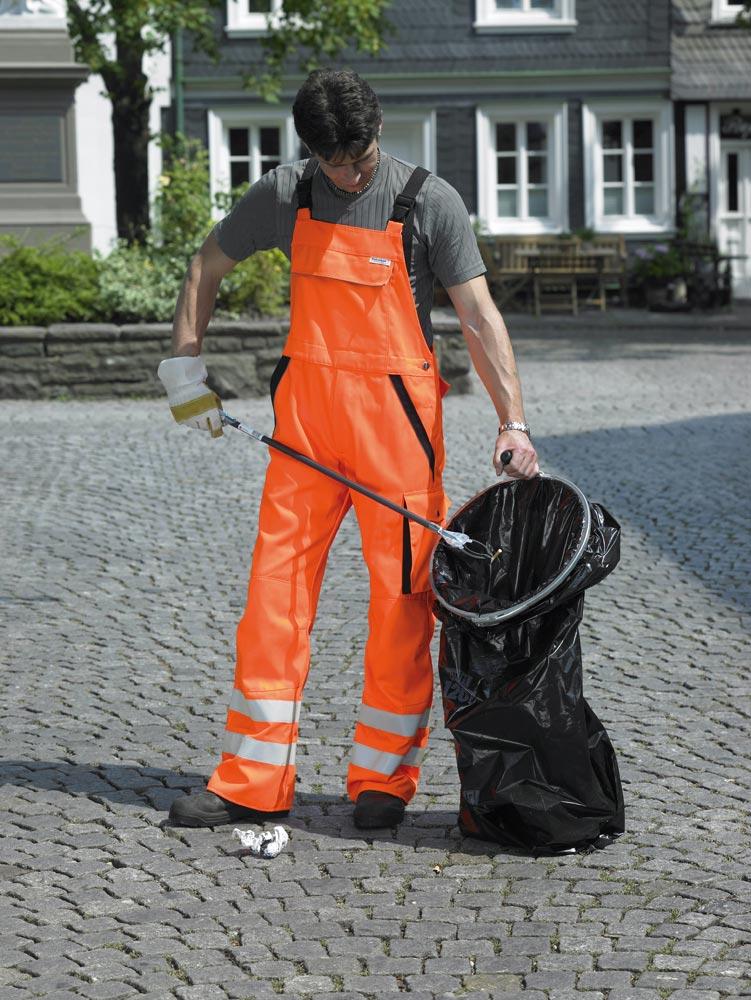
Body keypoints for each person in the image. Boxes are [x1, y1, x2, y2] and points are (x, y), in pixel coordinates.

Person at [157, 68, 539, 831]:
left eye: (360, 157)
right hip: (306, 431)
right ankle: (250, 778)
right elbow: (206, 266)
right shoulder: (283, 193)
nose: (351, 172)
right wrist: (184, 365)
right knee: (273, 596)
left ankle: (381, 780)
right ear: (310, 150)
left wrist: (513, 421)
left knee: (399, 602)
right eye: (336, 162)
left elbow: (478, 316)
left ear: (377, 133)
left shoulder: (427, 201)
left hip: (396, 429)